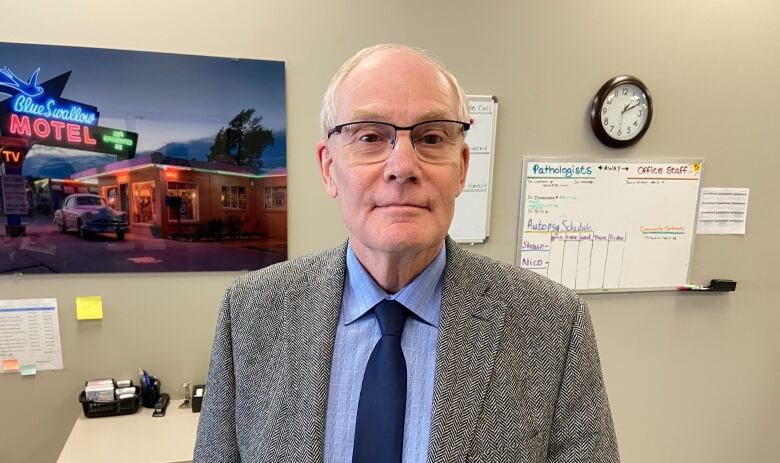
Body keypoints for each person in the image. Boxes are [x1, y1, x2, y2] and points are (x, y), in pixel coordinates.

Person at [194, 43, 619, 463]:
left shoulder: (552, 324)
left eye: (431, 137)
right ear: (328, 167)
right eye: (370, 137)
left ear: (462, 167)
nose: (402, 166)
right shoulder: (250, 313)